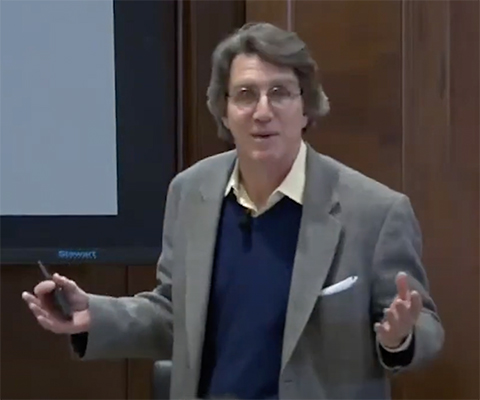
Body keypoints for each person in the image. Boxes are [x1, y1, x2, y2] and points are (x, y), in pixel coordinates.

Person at [22, 22, 444, 400]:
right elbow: (174, 315)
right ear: (224, 109)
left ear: (306, 107)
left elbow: (424, 323)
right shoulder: (192, 192)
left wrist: (399, 338)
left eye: (279, 92)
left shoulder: (374, 211)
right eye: (245, 94)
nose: (263, 111)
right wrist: (93, 314)